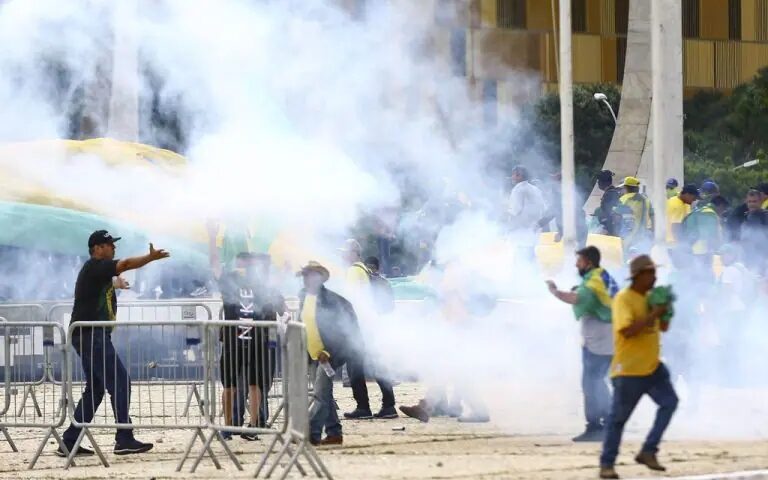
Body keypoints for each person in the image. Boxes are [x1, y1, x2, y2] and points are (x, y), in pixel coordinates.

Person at [60, 230, 170, 457]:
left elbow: (101, 286)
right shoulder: (95, 266)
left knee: (96, 389)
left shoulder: (97, 272)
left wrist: (116, 285)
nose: (114, 248)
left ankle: (70, 441)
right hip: (92, 336)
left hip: (89, 335)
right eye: (109, 245)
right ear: (98, 248)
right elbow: (127, 263)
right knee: (120, 382)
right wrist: (150, 258)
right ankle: (124, 437)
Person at [599, 255, 678, 479]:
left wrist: (666, 311)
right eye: (650, 273)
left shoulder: (652, 297)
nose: (654, 277)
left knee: (670, 403)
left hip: (652, 367)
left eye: (654, 272)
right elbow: (627, 331)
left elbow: (663, 328)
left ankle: (648, 450)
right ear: (638, 276)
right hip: (629, 370)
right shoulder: (624, 299)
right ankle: (607, 464)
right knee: (618, 420)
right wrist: (654, 313)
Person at [208, 221, 287, 440]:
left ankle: (252, 426)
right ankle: (229, 427)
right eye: (243, 261)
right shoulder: (230, 280)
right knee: (230, 386)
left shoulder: (260, 285)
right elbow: (215, 265)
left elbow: (275, 298)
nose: (245, 266)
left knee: (254, 385)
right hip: (234, 342)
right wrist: (212, 238)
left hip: (257, 342)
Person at [547, 246, 618, 442]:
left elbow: (576, 298)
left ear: (588, 262)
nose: (576, 264)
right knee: (597, 380)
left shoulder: (594, 280)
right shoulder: (600, 275)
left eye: (579, 260)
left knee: (591, 382)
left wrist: (555, 291)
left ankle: (596, 427)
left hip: (600, 337)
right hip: (606, 336)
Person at [297, 261, 365, 446]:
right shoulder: (303, 296)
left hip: (328, 355)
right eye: (305, 275)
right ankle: (334, 433)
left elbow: (341, 330)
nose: (306, 279)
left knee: (319, 395)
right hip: (312, 354)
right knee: (324, 395)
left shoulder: (332, 300)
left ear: (319, 278)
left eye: (310, 275)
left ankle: (311, 433)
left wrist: (328, 351)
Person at [339, 239, 398, 420]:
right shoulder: (364, 270)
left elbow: (352, 301)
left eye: (345, 251)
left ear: (354, 253)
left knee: (355, 368)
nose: (343, 254)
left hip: (359, 326)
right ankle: (389, 404)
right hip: (369, 323)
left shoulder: (353, 271)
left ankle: (363, 407)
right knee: (376, 364)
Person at [507, 165, 546, 260]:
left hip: (521, 229)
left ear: (520, 176)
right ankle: (533, 273)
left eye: (514, 175)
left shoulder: (518, 189)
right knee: (530, 255)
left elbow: (515, 210)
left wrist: (506, 219)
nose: (512, 177)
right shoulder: (536, 189)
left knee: (520, 257)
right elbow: (543, 208)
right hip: (534, 228)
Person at [615, 177, 653, 252]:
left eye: (623, 188)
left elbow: (616, 218)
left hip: (627, 238)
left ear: (626, 188)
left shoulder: (623, 199)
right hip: (643, 238)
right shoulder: (647, 200)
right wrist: (653, 233)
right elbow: (653, 217)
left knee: (625, 260)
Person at [741, 189, 768, 274]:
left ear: (760, 202)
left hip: (763, 261)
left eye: (754, 201)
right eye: (749, 201)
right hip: (748, 261)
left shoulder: (765, 217)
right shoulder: (746, 217)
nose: (752, 204)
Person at [594, 170, 621, 236]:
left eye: (599, 181)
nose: (598, 183)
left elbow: (610, 213)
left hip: (611, 230)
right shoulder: (613, 192)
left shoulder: (610, 194)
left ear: (603, 182)